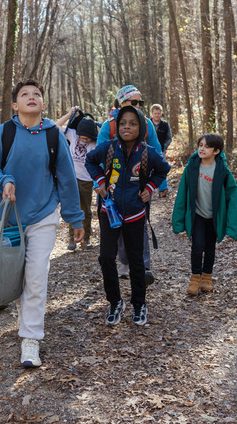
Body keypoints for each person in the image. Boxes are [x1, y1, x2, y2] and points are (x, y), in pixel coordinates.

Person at [0, 79, 85, 368]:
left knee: (36, 274)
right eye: (24, 94)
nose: (31, 97)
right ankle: (26, 317)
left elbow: (66, 178)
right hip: (10, 218)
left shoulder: (53, 135)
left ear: (43, 104)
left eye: (36, 94)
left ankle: (30, 338)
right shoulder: (4, 133)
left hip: (43, 215)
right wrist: (4, 181)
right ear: (15, 105)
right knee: (15, 273)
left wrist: (75, 218)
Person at [85, 106, 171, 327]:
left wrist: (150, 186)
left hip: (135, 215)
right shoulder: (108, 148)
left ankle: (139, 303)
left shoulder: (147, 152)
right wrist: (100, 182)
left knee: (136, 261)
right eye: (123, 123)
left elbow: (163, 169)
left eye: (133, 123)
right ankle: (115, 302)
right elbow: (90, 161)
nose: (127, 127)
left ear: (141, 127)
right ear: (117, 126)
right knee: (106, 257)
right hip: (109, 212)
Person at [97, 85, 165, 282]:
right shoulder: (109, 126)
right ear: (121, 103)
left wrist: (156, 184)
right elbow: (97, 157)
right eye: (133, 102)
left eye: (140, 103)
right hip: (113, 187)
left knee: (140, 224)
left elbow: (157, 153)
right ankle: (124, 262)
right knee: (116, 225)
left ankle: (143, 267)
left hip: (140, 185)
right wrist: (100, 182)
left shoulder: (146, 124)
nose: (137, 106)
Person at [171, 134, 237, 296]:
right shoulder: (192, 168)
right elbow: (182, 195)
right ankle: (195, 279)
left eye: (206, 146)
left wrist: (232, 225)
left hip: (214, 217)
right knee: (197, 246)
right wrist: (178, 220)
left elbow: (232, 197)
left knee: (209, 247)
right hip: (198, 215)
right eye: (200, 145)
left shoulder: (222, 171)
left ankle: (207, 278)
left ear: (216, 151)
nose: (202, 149)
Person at [55, 107, 98, 250]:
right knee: (72, 208)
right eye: (82, 138)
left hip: (86, 181)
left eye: (87, 139)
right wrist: (69, 114)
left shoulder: (95, 144)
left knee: (85, 210)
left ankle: (86, 239)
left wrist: (98, 125)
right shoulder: (72, 135)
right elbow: (56, 126)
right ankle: (72, 239)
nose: (84, 141)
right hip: (71, 179)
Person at [150, 104, 172, 198]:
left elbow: (169, 138)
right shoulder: (147, 123)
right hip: (148, 150)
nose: (157, 115)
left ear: (161, 113)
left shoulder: (165, 125)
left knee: (161, 169)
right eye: (155, 113)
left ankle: (162, 190)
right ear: (152, 113)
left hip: (161, 151)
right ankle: (148, 190)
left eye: (158, 113)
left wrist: (164, 147)